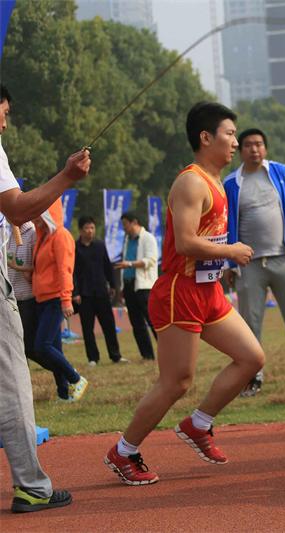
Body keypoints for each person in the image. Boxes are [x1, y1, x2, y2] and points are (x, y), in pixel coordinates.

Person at [103, 102, 264, 486]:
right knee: (176, 381)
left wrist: (222, 264)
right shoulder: (191, 182)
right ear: (205, 138)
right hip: (180, 292)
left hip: (208, 293)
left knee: (251, 358)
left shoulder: (215, 182)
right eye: (229, 134)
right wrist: (231, 251)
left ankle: (199, 423)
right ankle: (123, 451)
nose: (235, 142)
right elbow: (189, 242)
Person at [0, 82, 91, 512]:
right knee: (13, 382)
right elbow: (17, 208)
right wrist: (67, 176)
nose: (4, 121)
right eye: (2, 112)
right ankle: (32, 487)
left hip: (45, 292)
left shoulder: (57, 238)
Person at [222, 127, 285, 395]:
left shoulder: (279, 172)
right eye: (248, 145)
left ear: (265, 148)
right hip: (249, 265)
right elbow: (227, 223)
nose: (254, 149)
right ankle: (252, 377)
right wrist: (229, 263)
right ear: (240, 150)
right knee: (249, 324)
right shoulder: (232, 183)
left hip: (284, 259)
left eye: (259, 144)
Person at [32, 200, 88, 403]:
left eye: (37, 212)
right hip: (42, 298)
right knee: (55, 346)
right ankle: (63, 392)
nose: (34, 217)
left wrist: (66, 299)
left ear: (47, 213)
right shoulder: (43, 237)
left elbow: (65, 269)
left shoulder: (61, 236)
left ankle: (76, 378)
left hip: (55, 298)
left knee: (42, 346)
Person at [73, 215, 126, 365]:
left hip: (102, 292)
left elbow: (107, 266)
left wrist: (113, 285)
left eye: (92, 228)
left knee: (109, 325)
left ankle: (116, 355)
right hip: (84, 294)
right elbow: (73, 272)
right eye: (86, 228)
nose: (90, 231)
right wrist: (75, 292)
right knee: (87, 328)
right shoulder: (75, 248)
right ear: (80, 230)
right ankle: (93, 358)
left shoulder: (100, 245)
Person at [114, 211, 158, 361]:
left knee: (152, 320)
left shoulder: (148, 238)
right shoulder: (127, 240)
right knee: (136, 323)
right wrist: (121, 288)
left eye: (125, 224)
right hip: (129, 285)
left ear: (134, 222)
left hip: (144, 285)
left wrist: (130, 264)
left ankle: (167, 352)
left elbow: (151, 260)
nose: (124, 228)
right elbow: (124, 264)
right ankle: (147, 355)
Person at [7, 221, 37, 362]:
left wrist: (21, 268)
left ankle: (68, 373)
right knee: (14, 342)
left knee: (29, 345)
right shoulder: (8, 232)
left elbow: (38, 265)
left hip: (28, 296)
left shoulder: (32, 233)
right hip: (11, 296)